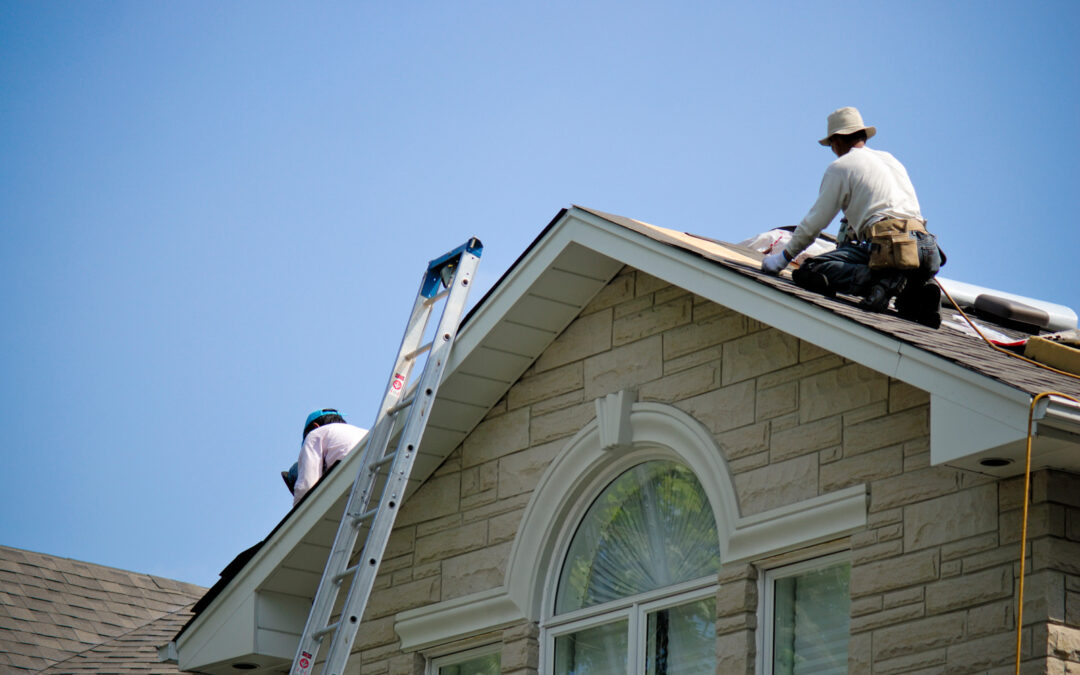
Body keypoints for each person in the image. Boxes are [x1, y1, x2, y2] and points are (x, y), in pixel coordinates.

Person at [761, 107, 944, 328]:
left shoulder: (842, 167)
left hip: (890, 247)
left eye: (831, 146)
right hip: (925, 249)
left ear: (837, 141)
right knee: (907, 305)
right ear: (862, 135)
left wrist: (782, 259)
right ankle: (917, 290)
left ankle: (880, 281)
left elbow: (815, 223)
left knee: (811, 270)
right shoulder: (890, 160)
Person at [288, 408, 368, 506]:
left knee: (296, 471)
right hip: (372, 471)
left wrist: (298, 511)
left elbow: (307, 484)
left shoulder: (315, 434)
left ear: (315, 426)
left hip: (350, 478)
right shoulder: (361, 431)